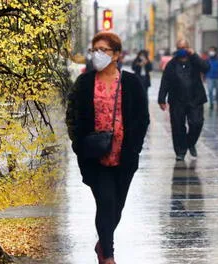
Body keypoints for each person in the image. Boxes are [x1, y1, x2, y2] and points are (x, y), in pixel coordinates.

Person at [66, 32, 149, 264]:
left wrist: (136, 148)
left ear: (117, 55)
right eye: (95, 49)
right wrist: (79, 145)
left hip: (124, 156)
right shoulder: (84, 82)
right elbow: (72, 116)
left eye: (104, 50)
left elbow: (142, 118)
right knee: (105, 202)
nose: (98, 54)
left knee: (117, 207)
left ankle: (102, 241)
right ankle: (108, 255)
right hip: (95, 156)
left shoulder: (131, 82)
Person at [158, 39, 210, 161]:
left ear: (188, 48)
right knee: (177, 127)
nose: (182, 50)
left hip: (195, 99)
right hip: (177, 101)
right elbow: (165, 81)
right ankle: (180, 151)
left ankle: (190, 142)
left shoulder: (195, 61)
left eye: (184, 47)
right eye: (179, 47)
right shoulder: (171, 64)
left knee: (197, 123)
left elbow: (206, 68)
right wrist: (161, 99)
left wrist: (194, 55)